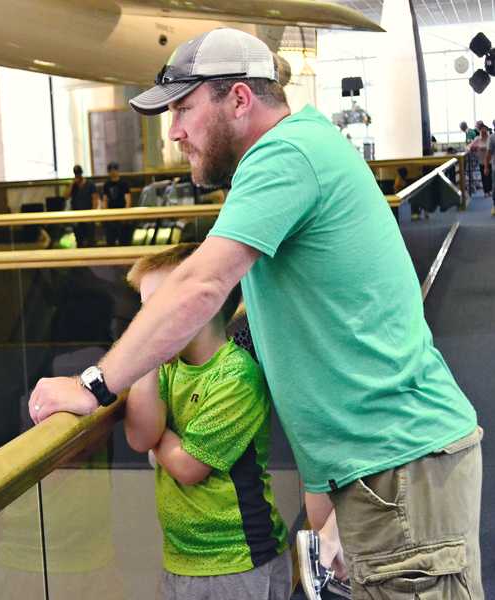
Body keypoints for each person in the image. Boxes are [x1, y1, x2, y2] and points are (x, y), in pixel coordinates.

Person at [29, 28, 482, 600]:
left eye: (184, 109)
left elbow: (201, 285)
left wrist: (94, 386)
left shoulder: (283, 155)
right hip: (381, 475)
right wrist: (328, 493)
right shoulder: (302, 147)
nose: (173, 132)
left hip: (399, 473)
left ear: (239, 100)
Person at [125, 243, 290, 599]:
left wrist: (159, 434)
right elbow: (139, 438)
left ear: (202, 305)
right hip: (182, 557)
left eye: (156, 307)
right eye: (143, 310)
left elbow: (187, 466)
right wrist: (147, 359)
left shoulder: (236, 377)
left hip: (240, 559)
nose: (144, 323)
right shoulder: (169, 367)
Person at [64, 164, 99, 246]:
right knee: (79, 239)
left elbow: (95, 199)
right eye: (76, 174)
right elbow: (66, 196)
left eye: (79, 174)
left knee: (90, 239)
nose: (78, 176)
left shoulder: (90, 185)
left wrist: (93, 213)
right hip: (77, 214)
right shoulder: (73, 186)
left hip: (87, 213)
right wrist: (72, 184)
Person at [101, 162, 132, 246]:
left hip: (121, 212)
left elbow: (128, 201)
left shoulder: (123, 184)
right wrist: (104, 214)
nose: (113, 172)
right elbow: (105, 200)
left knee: (124, 239)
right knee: (110, 239)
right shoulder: (107, 185)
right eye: (111, 170)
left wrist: (125, 215)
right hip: (111, 214)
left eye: (114, 170)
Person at [467, 124, 492, 197]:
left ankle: (490, 190)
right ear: (480, 131)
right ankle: (486, 191)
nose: (483, 131)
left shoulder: (490, 138)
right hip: (482, 161)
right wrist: (468, 149)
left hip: (491, 160)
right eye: (482, 130)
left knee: (490, 176)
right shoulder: (477, 139)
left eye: (485, 129)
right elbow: (470, 145)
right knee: (484, 176)